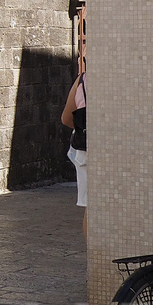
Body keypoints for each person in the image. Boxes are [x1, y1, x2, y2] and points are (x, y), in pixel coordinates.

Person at [62, 41, 87, 239]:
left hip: (85, 151)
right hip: (111, 149)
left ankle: (93, 255)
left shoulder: (82, 81)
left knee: (90, 207)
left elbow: (66, 118)